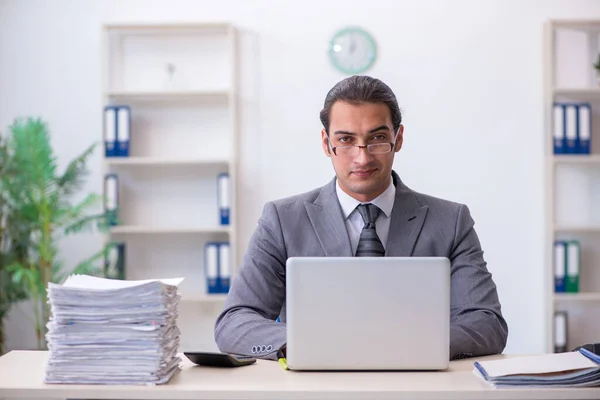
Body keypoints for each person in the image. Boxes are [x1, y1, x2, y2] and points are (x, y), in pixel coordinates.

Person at [214, 75, 508, 361]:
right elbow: (235, 322)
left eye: (377, 138)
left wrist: (405, 345)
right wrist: (309, 345)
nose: (362, 157)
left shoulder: (451, 221)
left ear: (398, 138)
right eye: (346, 140)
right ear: (326, 143)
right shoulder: (282, 220)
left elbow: (486, 323)